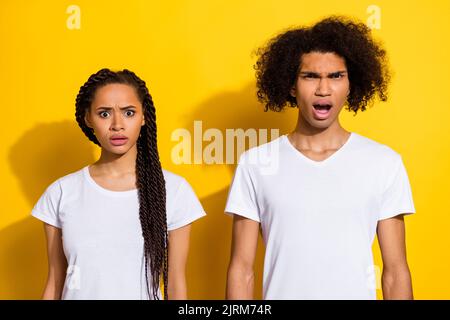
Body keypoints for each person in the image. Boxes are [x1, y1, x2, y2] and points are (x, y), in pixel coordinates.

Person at [225, 16, 415, 300]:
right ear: (291, 85)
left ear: (351, 84)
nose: (323, 89)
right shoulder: (256, 164)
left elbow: (395, 272)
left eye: (336, 76)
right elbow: (242, 270)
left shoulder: (384, 163)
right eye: (310, 76)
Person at [32, 68, 206, 300]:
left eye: (129, 112)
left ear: (144, 116)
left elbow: (175, 284)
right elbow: (55, 280)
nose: (117, 124)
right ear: (88, 119)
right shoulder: (61, 192)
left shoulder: (173, 191)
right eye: (104, 114)